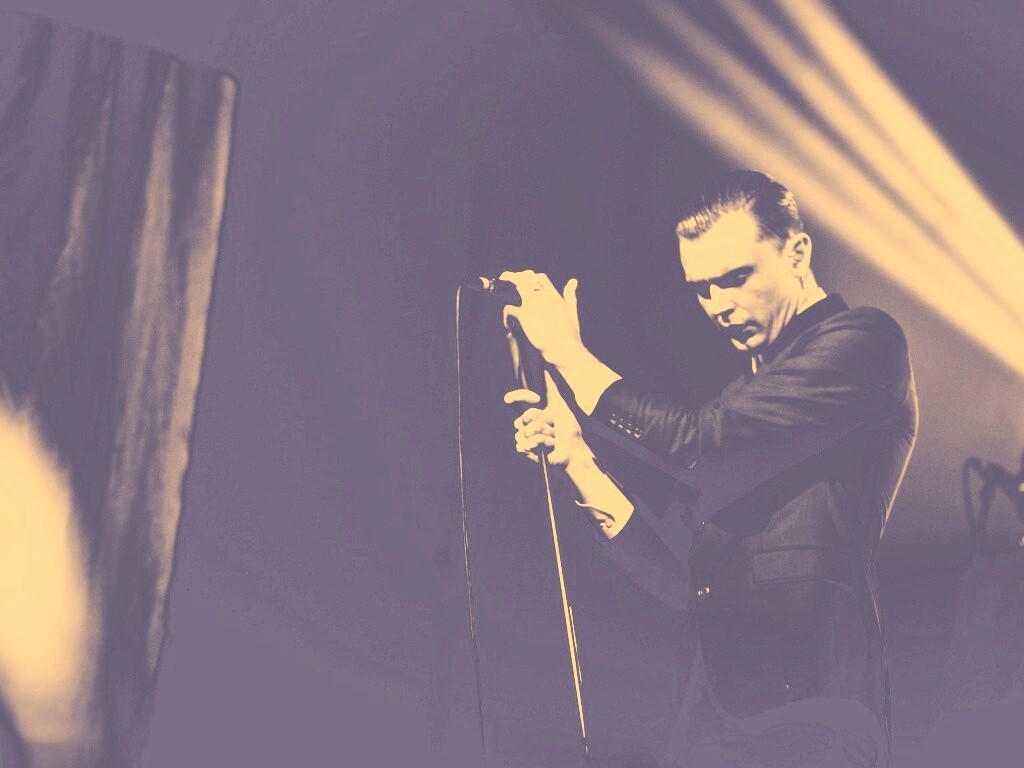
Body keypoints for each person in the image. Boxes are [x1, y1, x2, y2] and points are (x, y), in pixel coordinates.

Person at [500, 170, 918, 767]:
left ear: (797, 252)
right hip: (710, 720)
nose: (718, 305)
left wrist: (570, 356)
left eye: (735, 278)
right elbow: (680, 577)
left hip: (810, 713)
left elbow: (696, 442)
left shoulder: (864, 343)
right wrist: (578, 458)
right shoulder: (738, 400)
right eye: (701, 289)